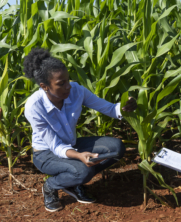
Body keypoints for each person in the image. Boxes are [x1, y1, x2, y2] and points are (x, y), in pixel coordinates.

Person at [23, 48, 137, 212]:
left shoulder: (76, 90)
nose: (68, 87)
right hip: (46, 153)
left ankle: (73, 182)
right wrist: (79, 156)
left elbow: (110, 109)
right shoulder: (34, 106)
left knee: (116, 148)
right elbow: (55, 146)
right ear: (44, 86)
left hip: (72, 144)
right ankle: (51, 186)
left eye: (67, 80)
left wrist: (125, 105)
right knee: (83, 171)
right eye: (61, 84)